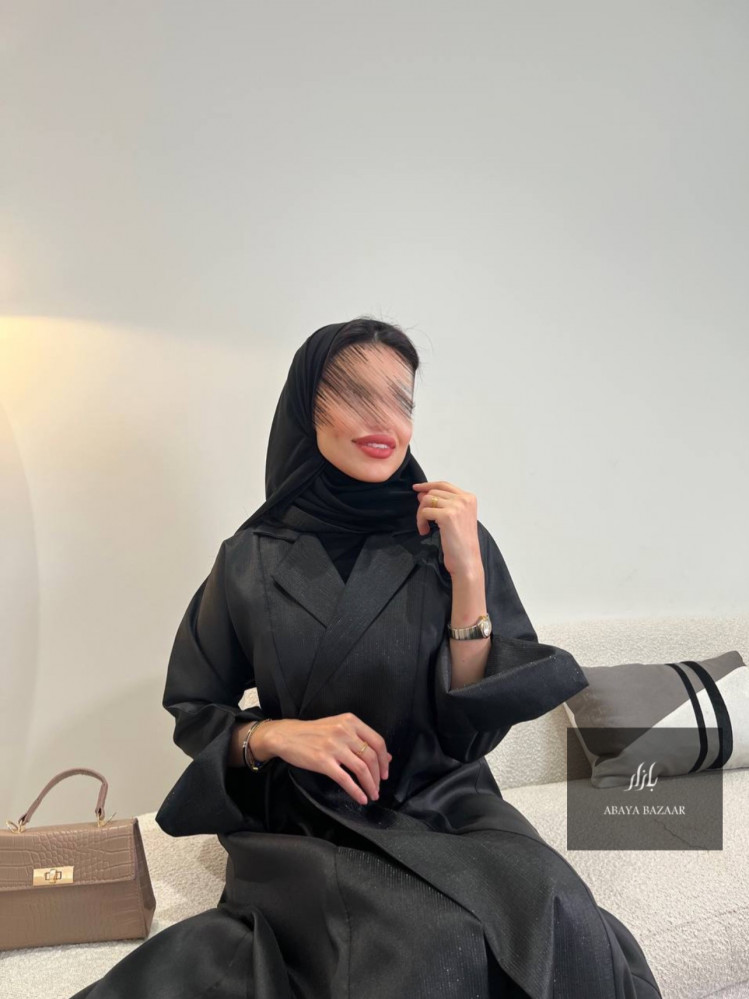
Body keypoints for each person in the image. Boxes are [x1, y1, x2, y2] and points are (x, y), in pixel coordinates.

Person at [70, 317, 662, 998]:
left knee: (562, 913)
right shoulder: (249, 559)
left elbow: (471, 732)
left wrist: (468, 572)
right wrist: (277, 734)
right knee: (423, 944)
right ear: (305, 410)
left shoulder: (450, 538)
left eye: (401, 400)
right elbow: (195, 705)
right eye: (355, 394)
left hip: (448, 804)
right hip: (313, 820)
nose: (385, 420)